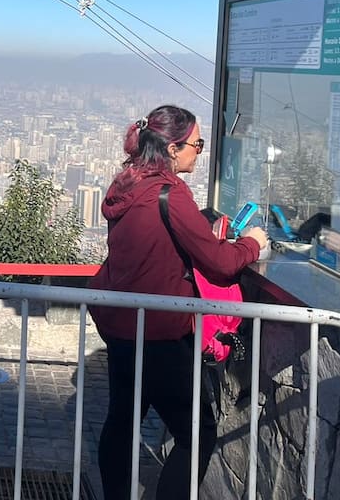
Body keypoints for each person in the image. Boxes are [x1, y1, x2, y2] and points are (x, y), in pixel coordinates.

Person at [88, 105, 269, 500]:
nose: (199, 152)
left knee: (122, 420)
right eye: (197, 144)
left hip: (120, 325)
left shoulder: (128, 184)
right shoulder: (169, 192)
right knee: (198, 433)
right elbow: (220, 261)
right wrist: (252, 244)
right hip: (159, 331)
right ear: (173, 148)